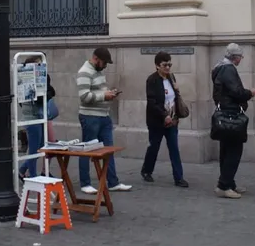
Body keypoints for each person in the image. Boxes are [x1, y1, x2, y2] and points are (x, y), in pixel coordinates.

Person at [76, 48, 132, 193]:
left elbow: (97, 92)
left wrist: (109, 94)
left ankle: (113, 182)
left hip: (103, 116)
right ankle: (85, 183)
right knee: (87, 150)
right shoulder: (84, 72)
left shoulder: (98, 71)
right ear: (95, 58)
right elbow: (84, 96)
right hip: (90, 117)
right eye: (104, 62)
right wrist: (104, 96)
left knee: (108, 150)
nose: (105, 65)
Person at [212, 43, 255, 199]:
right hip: (231, 114)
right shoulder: (228, 69)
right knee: (233, 151)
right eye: (240, 57)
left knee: (226, 150)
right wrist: (249, 93)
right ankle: (224, 185)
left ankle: (228, 183)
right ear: (235, 57)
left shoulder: (219, 68)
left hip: (224, 114)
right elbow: (236, 92)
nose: (241, 60)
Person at [141, 51, 188, 188]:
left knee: (174, 148)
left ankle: (179, 178)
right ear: (157, 66)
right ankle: (146, 170)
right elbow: (152, 102)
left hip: (172, 120)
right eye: (165, 65)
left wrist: (177, 91)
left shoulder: (171, 78)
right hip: (157, 121)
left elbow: (174, 98)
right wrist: (164, 115)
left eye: (169, 64)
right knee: (154, 147)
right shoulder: (152, 80)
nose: (167, 67)